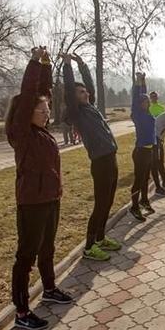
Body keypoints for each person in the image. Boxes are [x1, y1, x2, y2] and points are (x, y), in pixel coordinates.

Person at [6, 47, 74, 330]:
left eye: (48, 111)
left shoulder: (42, 132)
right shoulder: (22, 132)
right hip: (32, 202)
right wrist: (34, 63)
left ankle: (49, 289)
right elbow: (29, 94)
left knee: (48, 248)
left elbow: (43, 91)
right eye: (42, 111)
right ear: (27, 112)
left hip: (50, 199)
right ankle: (22, 311)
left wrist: (47, 65)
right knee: (27, 256)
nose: (47, 114)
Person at [62, 53, 123, 261]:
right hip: (100, 162)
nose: (86, 93)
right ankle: (89, 247)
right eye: (81, 92)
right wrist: (68, 66)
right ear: (73, 97)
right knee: (100, 204)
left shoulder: (90, 107)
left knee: (108, 202)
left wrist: (82, 64)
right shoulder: (77, 112)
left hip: (111, 159)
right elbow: (69, 89)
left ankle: (100, 238)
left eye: (85, 91)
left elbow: (91, 87)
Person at [130, 72, 156, 221]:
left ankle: (144, 200)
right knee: (139, 180)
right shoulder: (137, 115)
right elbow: (136, 98)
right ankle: (134, 207)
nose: (146, 103)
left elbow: (143, 94)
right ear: (139, 104)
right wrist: (138, 82)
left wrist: (144, 81)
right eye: (143, 102)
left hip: (149, 151)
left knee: (146, 178)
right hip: (140, 152)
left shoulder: (148, 113)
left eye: (147, 101)